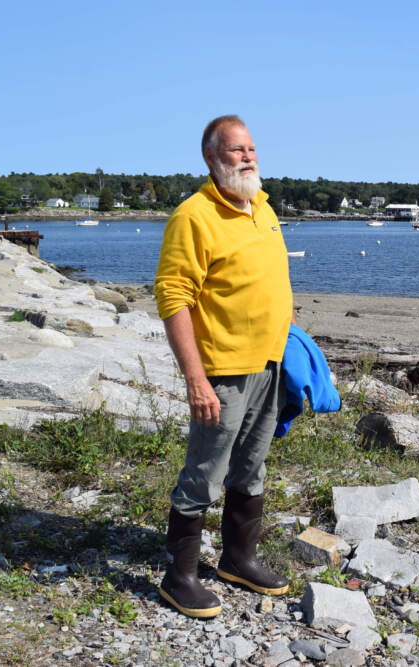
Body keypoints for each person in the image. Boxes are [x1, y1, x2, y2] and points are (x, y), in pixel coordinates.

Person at [154, 114, 293, 618]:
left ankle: (238, 559)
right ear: (212, 158)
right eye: (237, 150)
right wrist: (196, 378)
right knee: (204, 474)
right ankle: (180, 577)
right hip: (223, 372)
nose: (249, 156)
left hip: (269, 365)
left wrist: (289, 343)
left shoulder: (261, 206)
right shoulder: (194, 215)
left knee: (252, 468)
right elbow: (173, 296)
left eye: (252, 148)